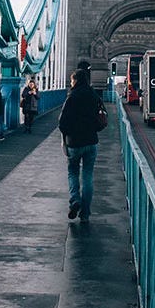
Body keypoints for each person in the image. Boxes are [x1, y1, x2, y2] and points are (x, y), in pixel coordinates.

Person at [58, 63, 103, 223]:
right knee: (88, 176)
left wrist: (65, 136)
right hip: (91, 141)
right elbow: (101, 118)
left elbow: (62, 122)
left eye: (71, 81)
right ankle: (85, 214)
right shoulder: (94, 95)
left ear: (76, 80)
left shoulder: (72, 97)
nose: (71, 84)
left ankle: (75, 200)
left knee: (72, 172)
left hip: (75, 143)